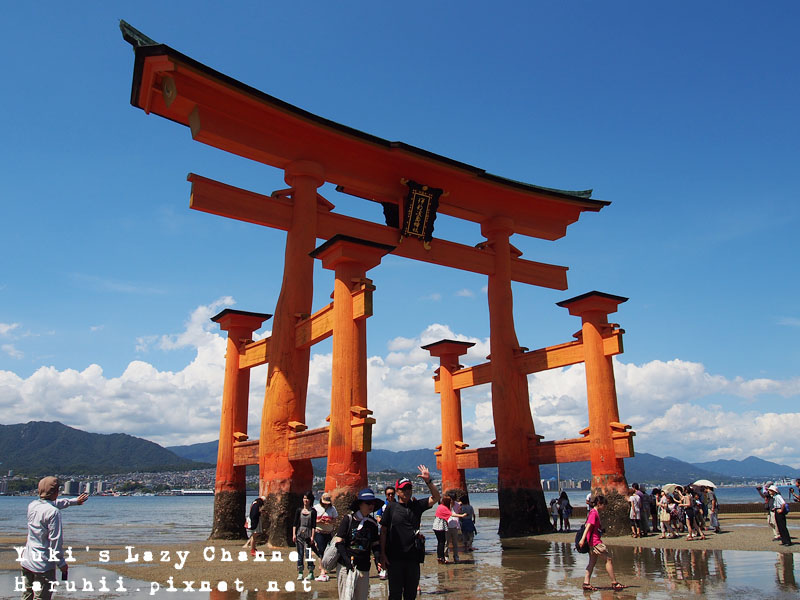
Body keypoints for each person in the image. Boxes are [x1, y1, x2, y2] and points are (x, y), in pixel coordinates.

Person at [379, 465, 441, 600]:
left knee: (411, 594)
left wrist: (428, 481)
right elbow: (383, 531)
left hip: (413, 557)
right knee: (395, 594)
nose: (407, 491)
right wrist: (382, 554)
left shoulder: (417, 506)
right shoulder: (391, 507)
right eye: (403, 489)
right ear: (397, 491)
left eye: (409, 488)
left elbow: (436, 497)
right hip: (394, 557)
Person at [19, 477, 71, 600]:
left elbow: (52, 504)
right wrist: (61, 563)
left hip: (27, 560)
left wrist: (73, 502)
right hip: (43, 564)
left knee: (26, 596)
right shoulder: (54, 512)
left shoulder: (32, 505)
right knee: (41, 597)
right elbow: (55, 541)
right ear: (56, 492)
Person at [333, 488, 383, 600]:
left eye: (373, 503)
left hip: (364, 567)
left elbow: (375, 544)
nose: (371, 505)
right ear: (360, 504)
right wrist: (347, 560)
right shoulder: (348, 519)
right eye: (368, 503)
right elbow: (339, 542)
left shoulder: (373, 523)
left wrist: (378, 559)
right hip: (346, 567)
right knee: (346, 597)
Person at [577, 495, 626, 592]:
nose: (605, 507)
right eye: (604, 505)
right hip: (595, 542)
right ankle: (614, 583)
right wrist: (582, 539)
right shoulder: (594, 513)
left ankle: (586, 583)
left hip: (592, 542)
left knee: (592, 562)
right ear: (599, 504)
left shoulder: (593, 512)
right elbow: (588, 526)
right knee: (608, 559)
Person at [292, 491, 317, 581]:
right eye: (304, 498)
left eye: (307, 498)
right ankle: (300, 572)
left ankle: (311, 572)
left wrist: (312, 537)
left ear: (310, 500)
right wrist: (294, 534)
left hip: (308, 534)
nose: (305, 500)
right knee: (300, 554)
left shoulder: (313, 511)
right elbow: (295, 523)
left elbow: (314, 525)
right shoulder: (299, 510)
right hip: (299, 534)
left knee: (308, 554)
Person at [313, 492, 338, 581]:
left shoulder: (332, 509)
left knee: (329, 550)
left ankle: (325, 566)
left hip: (329, 532)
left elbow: (335, 519)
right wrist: (319, 521)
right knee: (321, 550)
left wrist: (330, 521)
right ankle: (323, 570)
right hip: (319, 531)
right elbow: (312, 520)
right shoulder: (316, 508)